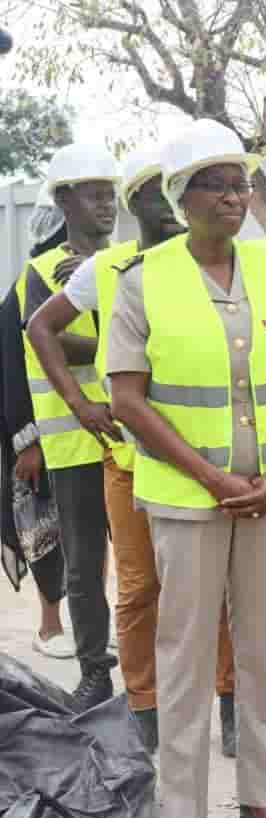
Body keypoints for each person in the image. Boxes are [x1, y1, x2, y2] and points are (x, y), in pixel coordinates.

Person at [106, 118, 266, 818]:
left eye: (241, 183)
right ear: (181, 197)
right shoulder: (144, 279)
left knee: (259, 646)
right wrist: (212, 476)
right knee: (186, 654)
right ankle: (183, 816)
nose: (234, 196)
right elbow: (127, 399)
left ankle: (260, 796)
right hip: (187, 501)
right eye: (216, 185)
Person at [27, 149, 239, 756]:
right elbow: (39, 327)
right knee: (140, 587)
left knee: (217, 588)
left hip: (206, 457)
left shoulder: (213, 264)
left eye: (175, 192)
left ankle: (228, 700)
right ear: (134, 204)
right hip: (131, 460)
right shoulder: (110, 267)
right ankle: (143, 705)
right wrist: (80, 404)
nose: (169, 206)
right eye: (154, 194)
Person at [16, 142, 121, 709]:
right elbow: (46, 337)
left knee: (149, 566)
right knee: (83, 566)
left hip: (137, 435)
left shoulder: (132, 262)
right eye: (94, 195)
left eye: (110, 195)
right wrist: (114, 336)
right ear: (63, 202)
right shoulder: (39, 272)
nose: (106, 205)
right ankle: (95, 673)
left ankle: (152, 674)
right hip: (75, 440)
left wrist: (100, 300)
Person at [2, 188, 71, 660]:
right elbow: (11, 371)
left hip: (85, 435)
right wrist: (27, 441)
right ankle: (50, 626)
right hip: (40, 438)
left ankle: (88, 622)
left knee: (87, 535)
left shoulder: (86, 280)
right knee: (45, 532)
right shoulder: (27, 287)